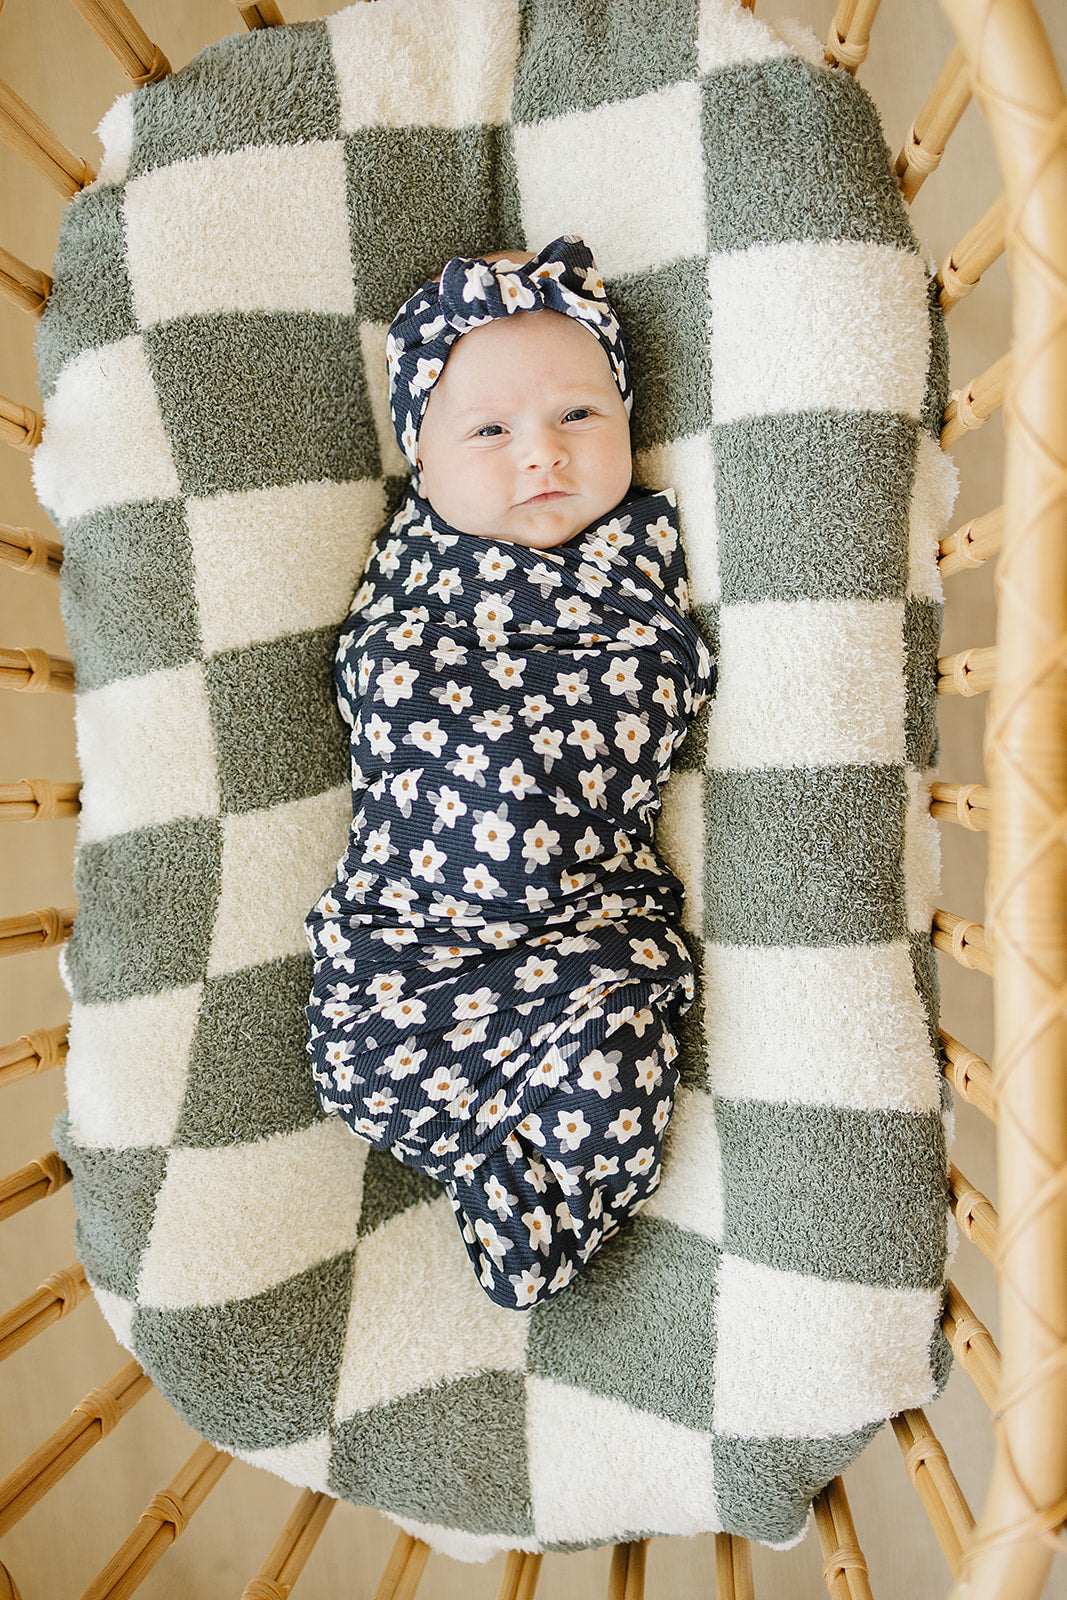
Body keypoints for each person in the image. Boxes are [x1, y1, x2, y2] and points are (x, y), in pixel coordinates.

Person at [305, 235, 715, 1310]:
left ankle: (531, 1207)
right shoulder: (412, 569)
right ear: (422, 463)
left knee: (622, 1049)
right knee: (359, 1049)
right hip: (411, 953)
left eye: (578, 414)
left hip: (577, 935)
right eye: (490, 430)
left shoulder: (635, 564)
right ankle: (489, 1142)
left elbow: (661, 673)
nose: (542, 454)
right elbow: (373, 677)